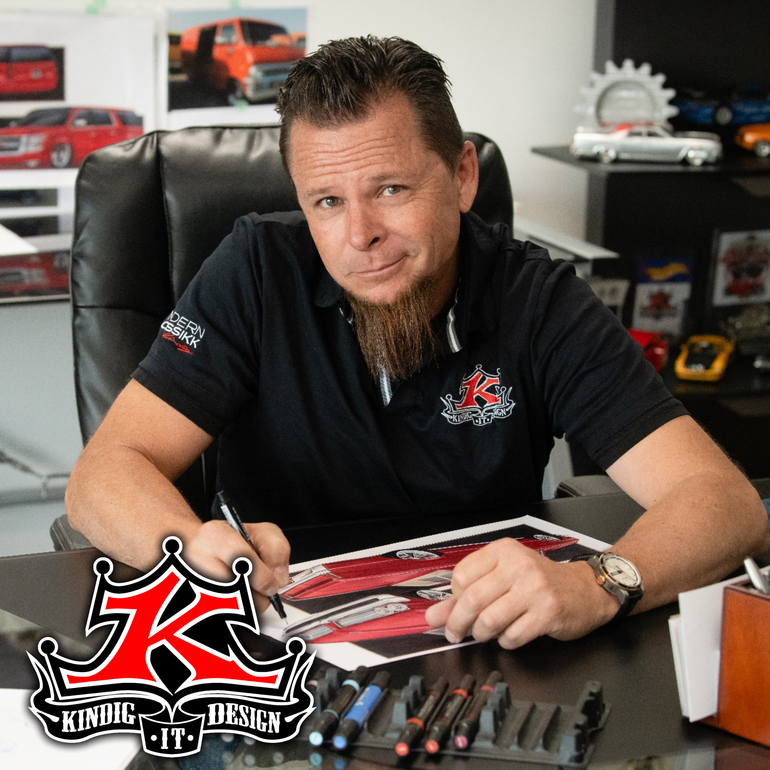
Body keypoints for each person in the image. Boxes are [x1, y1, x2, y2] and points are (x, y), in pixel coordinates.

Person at [65, 36, 769, 650]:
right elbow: (102, 475)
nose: (359, 234)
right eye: (327, 201)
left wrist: (599, 584)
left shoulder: (536, 298)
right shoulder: (253, 270)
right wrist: (185, 547)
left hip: (491, 647)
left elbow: (724, 503)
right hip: (282, 654)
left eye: (391, 189)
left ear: (463, 176)